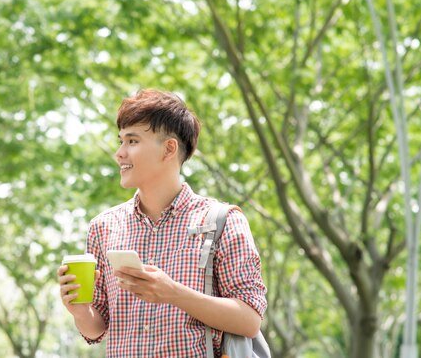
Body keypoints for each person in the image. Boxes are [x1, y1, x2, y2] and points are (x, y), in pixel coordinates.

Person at [57, 89, 267, 357]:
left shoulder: (222, 221)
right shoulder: (104, 227)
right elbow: (97, 329)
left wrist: (173, 293)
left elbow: (250, 320)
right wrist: (79, 310)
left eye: (132, 141)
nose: (119, 153)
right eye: (120, 141)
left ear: (169, 149)